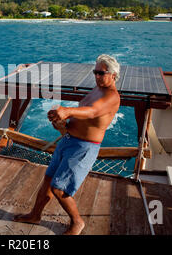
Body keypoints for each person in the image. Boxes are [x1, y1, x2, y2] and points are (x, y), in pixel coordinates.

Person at [13, 54, 121, 235]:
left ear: (113, 75)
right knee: (48, 180)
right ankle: (35, 215)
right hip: (68, 141)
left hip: (83, 148)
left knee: (59, 188)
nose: (96, 76)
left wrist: (67, 110)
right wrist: (62, 123)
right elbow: (83, 115)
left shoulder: (112, 97)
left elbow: (93, 111)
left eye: (101, 73)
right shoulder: (97, 89)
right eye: (95, 72)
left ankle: (77, 222)